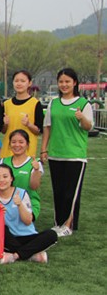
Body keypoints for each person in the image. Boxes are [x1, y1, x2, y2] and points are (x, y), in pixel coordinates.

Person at [41, 67, 94, 236]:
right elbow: (47, 127)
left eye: (67, 81)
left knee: (70, 193)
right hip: (56, 154)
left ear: (74, 83)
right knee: (58, 191)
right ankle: (58, 223)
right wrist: (43, 149)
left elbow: (88, 127)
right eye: (61, 82)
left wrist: (82, 118)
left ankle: (68, 225)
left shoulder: (83, 104)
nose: (64, 85)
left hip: (75, 156)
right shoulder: (53, 103)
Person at [0, 165, 57, 264]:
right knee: (0, 230)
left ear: (11, 178)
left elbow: (28, 221)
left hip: (28, 237)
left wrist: (20, 204)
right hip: (10, 239)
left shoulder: (21, 193)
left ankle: (15, 256)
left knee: (51, 234)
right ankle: (31, 255)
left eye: (5, 176)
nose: (1, 180)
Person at [1, 130, 43, 220]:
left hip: (28, 203)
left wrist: (36, 170)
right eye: (13, 142)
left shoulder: (35, 163)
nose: (17, 145)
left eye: (21, 142)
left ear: (27, 144)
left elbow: (34, 186)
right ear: (9, 144)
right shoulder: (3, 161)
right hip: (6, 203)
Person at [1, 70, 43, 158]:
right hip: (8, 151)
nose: (19, 84)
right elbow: (3, 131)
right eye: (16, 81)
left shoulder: (35, 103)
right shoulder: (6, 104)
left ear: (29, 83)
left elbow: (39, 131)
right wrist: (5, 124)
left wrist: (28, 124)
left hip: (27, 152)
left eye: (23, 81)